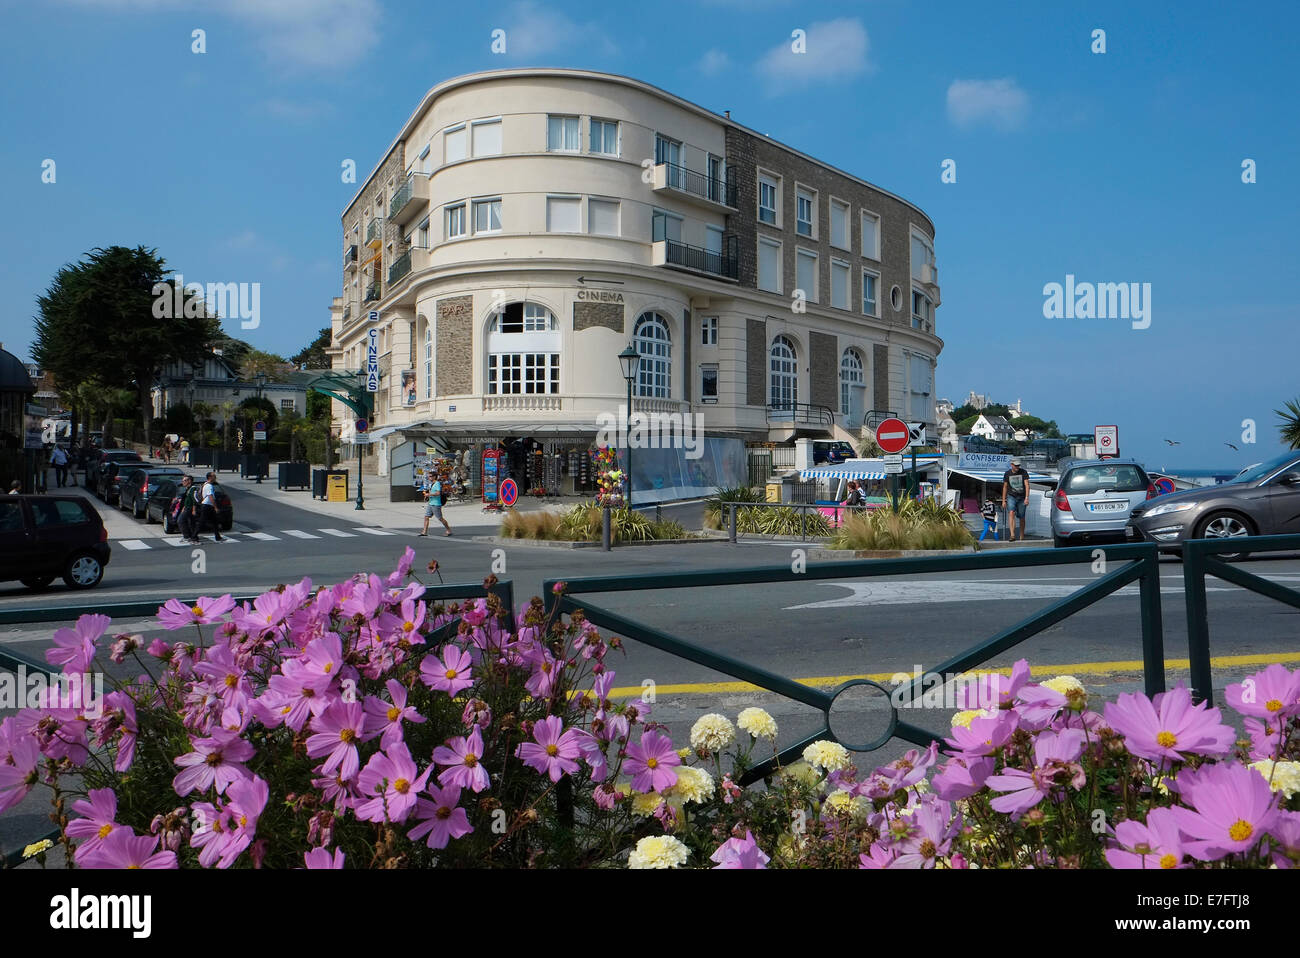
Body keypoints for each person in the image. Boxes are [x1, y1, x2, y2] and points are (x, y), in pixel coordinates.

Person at [1001, 458, 1029, 542]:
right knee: (1011, 512)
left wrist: (1027, 498)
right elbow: (1005, 487)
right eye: (1016, 465)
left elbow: (1027, 485)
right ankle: (1012, 535)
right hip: (1011, 496)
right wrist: (1003, 500)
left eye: (1018, 465)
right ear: (1011, 465)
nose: (1017, 467)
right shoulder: (1007, 474)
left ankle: (1021, 535)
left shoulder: (1023, 472)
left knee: (1022, 516)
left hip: (1022, 497)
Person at [195, 471, 226, 542]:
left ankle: (218, 537)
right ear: (210, 477)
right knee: (202, 522)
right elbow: (211, 497)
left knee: (214, 521)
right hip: (207, 506)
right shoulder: (209, 486)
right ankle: (194, 536)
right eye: (214, 476)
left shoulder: (205, 484)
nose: (215, 477)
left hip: (208, 506)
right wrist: (215, 507)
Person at [420, 472, 452, 537]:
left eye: (430, 476)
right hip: (431, 503)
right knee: (426, 517)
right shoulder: (432, 484)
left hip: (436, 504)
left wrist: (429, 494)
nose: (429, 477)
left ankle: (448, 530)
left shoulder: (437, 483)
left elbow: (438, 493)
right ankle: (424, 532)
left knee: (440, 518)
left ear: (434, 477)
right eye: (428, 476)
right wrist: (427, 495)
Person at [177, 475, 200, 542]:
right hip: (187, 507)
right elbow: (187, 499)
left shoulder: (193, 489)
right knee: (191, 523)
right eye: (182, 481)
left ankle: (187, 536)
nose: (182, 482)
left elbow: (194, 500)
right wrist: (184, 507)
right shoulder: (188, 489)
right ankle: (193, 536)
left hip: (190, 508)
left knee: (180, 520)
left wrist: (194, 509)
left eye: (184, 481)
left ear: (189, 481)